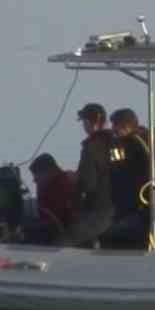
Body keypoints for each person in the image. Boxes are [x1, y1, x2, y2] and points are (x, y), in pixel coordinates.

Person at [104, 107, 155, 248]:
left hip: (140, 204)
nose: (113, 131)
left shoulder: (126, 144)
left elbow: (117, 175)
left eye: (115, 127)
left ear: (125, 126)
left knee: (110, 237)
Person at [62, 102, 117, 247]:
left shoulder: (92, 146)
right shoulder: (116, 141)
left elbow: (89, 183)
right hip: (118, 206)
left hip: (100, 209)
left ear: (87, 122)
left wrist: (75, 178)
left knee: (64, 242)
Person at [21, 153, 77, 244]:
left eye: (37, 175)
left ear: (50, 172)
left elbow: (56, 220)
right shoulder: (51, 186)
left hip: (61, 236)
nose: (34, 180)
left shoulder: (61, 187)